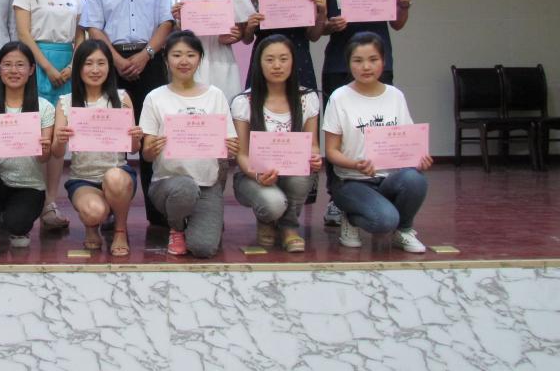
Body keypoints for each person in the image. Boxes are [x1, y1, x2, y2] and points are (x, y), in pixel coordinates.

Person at [316, 0, 413, 227]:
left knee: (379, 127)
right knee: (339, 133)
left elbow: (397, 23)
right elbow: (317, 29)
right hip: (338, 64)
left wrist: (404, 5)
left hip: (379, 65)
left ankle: (379, 191)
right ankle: (337, 199)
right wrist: (329, 25)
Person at [81, 0, 174, 226]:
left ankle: (158, 214)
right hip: (112, 63)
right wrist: (117, 60)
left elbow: (166, 23)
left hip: (151, 61)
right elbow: (94, 27)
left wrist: (146, 55)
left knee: (151, 136)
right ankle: (109, 209)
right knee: (111, 138)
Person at [323, 32, 430, 252]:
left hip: (388, 179)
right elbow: (331, 152)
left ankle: (404, 230)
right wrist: (356, 164)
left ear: (383, 61)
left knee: (415, 179)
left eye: (373, 59)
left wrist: (419, 158)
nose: (366, 67)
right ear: (348, 63)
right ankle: (351, 218)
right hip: (351, 182)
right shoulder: (339, 97)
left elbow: (408, 141)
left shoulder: (395, 96)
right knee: (384, 221)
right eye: (358, 60)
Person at [140, 31, 239, 258]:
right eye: (176, 55)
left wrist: (232, 148)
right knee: (185, 188)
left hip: (207, 184)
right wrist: (150, 149)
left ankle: (195, 221)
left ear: (200, 58)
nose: (183, 61)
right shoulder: (155, 97)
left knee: (203, 248)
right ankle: (176, 227)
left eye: (190, 55)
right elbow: (146, 154)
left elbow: (230, 142)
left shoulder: (215, 95)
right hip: (168, 184)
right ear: (166, 59)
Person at [12, 0, 85, 231]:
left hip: (67, 65)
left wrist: (71, 66)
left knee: (58, 138)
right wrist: (47, 67)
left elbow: (80, 35)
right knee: (37, 134)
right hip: (37, 64)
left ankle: (50, 203)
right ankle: (31, 197)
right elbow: (24, 34)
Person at [231, 35, 323, 252]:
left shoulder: (307, 98)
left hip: (292, 173)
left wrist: (315, 157)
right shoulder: (244, 101)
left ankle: (289, 227)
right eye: (270, 59)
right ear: (258, 63)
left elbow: (313, 145)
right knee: (272, 204)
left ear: (293, 61)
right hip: (252, 176)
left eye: (283, 59)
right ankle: (267, 219)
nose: (277, 65)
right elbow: (241, 154)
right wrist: (257, 175)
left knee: (303, 174)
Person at [51, 40, 142, 256]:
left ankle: (120, 229)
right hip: (82, 179)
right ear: (78, 68)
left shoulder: (121, 98)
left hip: (118, 173)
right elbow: (56, 152)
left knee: (114, 177)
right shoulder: (65, 102)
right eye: (88, 63)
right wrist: (61, 139)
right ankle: (92, 226)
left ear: (109, 67)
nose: (95, 70)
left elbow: (133, 149)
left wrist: (135, 137)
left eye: (101, 63)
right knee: (94, 212)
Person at [0, 42, 55, 260]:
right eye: (7, 65)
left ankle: (6, 221)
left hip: (29, 186)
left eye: (20, 65)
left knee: (16, 224)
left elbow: (44, 158)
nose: (13, 70)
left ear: (31, 69)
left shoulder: (45, 107)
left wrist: (44, 148)